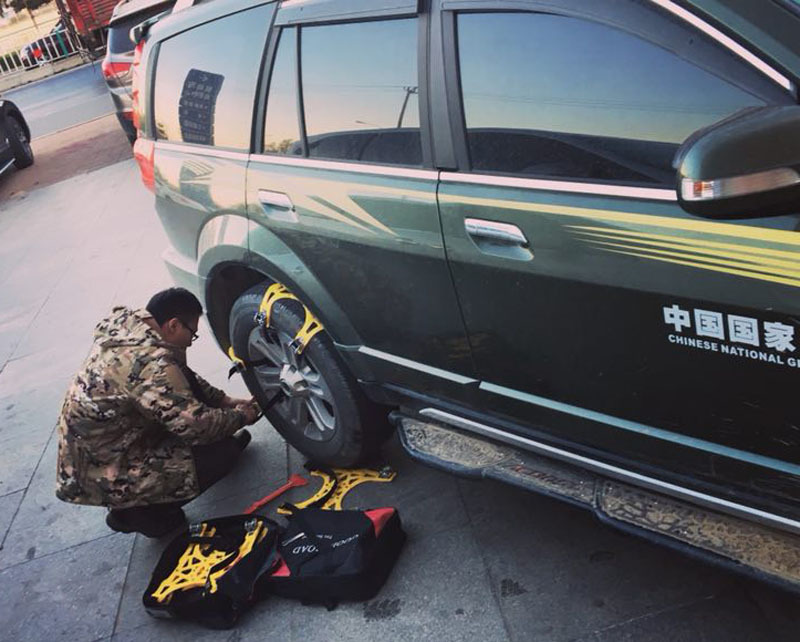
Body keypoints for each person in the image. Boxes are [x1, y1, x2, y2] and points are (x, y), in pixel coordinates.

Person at [55, 287, 262, 537]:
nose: (191, 341)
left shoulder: (135, 329)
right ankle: (136, 513)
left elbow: (180, 378)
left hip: (114, 443)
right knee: (221, 454)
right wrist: (241, 417)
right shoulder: (149, 363)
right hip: (104, 470)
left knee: (217, 435)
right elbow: (197, 426)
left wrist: (224, 401)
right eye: (192, 333)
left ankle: (140, 500)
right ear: (173, 325)